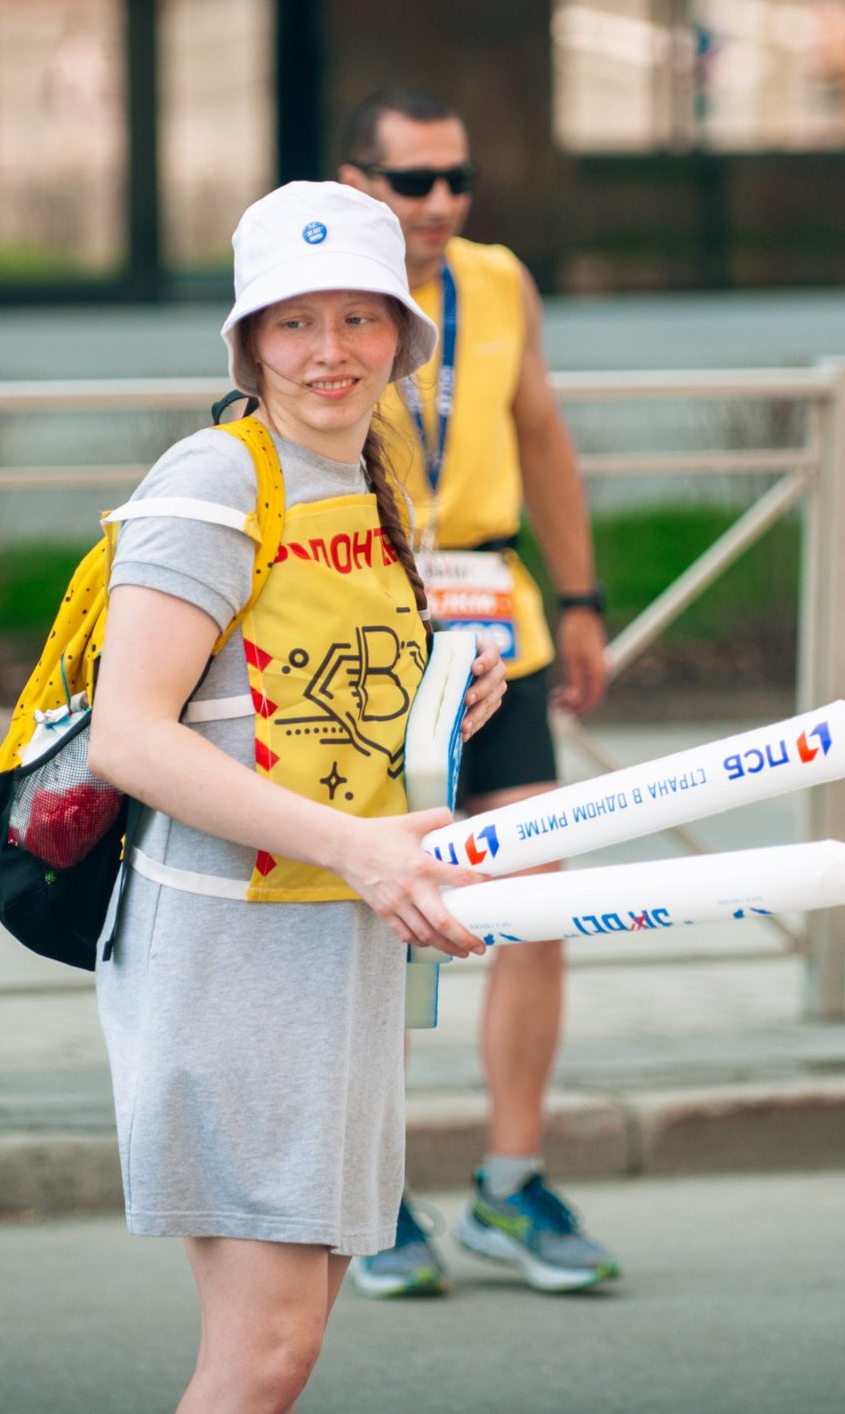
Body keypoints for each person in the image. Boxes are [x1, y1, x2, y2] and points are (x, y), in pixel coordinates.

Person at [88, 178, 509, 1411]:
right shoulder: (215, 477)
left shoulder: (372, 483)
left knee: (289, 1347)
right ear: (248, 340)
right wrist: (361, 847)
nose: (329, 352)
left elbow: (306, 702)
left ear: (400, 335)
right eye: (293, 322)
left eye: (358, 320)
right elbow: (130, 736)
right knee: (263, 1357)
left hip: (338, 942)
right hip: (229, 951)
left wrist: (436, 704)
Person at [333, 87, 623, 1296]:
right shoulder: (323, 294)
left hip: (493, 616)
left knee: (534, 903)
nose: (442, 203)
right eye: (415, 182)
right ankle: (373, 1195)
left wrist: (581, 594)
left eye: (458, 178)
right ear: (357, 184)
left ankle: (509, 1184)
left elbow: (541, 429)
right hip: (369, 621)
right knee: (384, 918)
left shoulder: (499, 281)